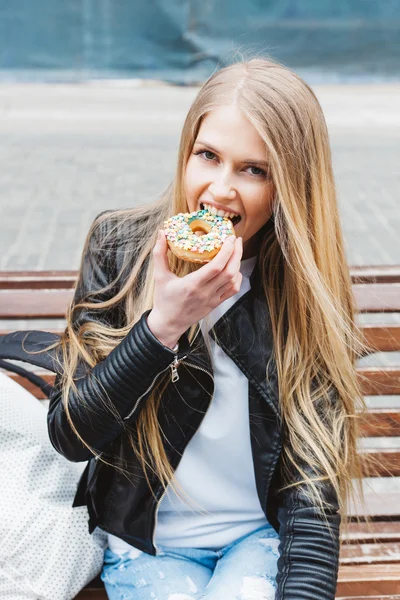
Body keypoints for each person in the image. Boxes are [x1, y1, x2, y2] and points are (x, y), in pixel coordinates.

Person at [46, 57, 368, 600]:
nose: (219, 189)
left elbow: (312, 493)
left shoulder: (304, 287)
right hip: (148, 544)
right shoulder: (120, 250)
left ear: (290, 185)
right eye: (208, 156)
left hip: (257, 539)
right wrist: (162, 326)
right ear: (185, 153)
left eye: (253, 170)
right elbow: (70, 436)